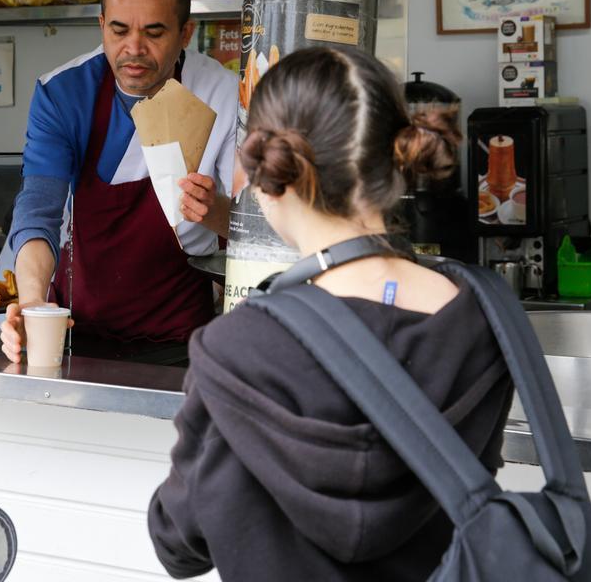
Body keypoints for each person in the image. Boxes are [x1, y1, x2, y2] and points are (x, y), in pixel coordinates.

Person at [147, 46, 514, 580]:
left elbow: (177, 543)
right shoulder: (479, 318)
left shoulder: (237, 346)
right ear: (396, 157)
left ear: (267, 172)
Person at [0, 0, 238, 362]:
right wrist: (33, 304)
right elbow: (39, 210)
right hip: (74, 329)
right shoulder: (64, 93)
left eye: (154, 32)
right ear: (101, 26)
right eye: (119, 30)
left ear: (186, 33)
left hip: (180, 340)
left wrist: (210, 209)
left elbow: (254, 228)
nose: (134, 49)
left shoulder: (224, 93)